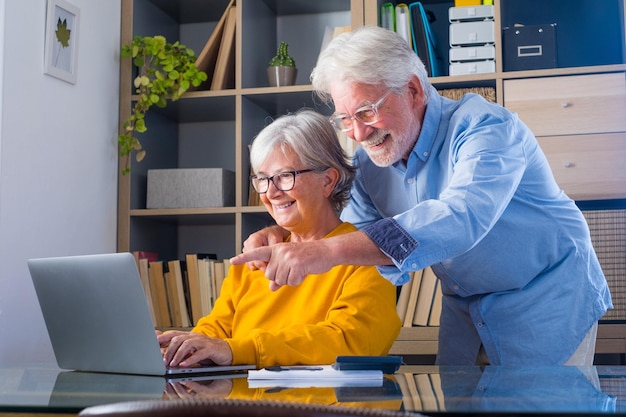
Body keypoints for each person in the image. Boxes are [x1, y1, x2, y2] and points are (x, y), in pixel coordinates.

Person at [231, 26, 613, 366]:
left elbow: (461, 217)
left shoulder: (487, 128)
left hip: (544, 296)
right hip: (466, 307)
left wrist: (323, 251)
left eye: (366, 112)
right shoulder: (368, 166)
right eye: (345, 120)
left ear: (412, 90)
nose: (358, 135)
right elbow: (357, 245)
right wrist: (287, 236)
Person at [158, 109, 401, 369]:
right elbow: (219, 327)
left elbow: (350, 341)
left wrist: (241, 349)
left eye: (285, 176)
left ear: (327, 181)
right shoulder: (256, 255)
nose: (271, 192)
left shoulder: (364, 255)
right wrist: (183, 347)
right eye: (262, 179)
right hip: (246, 403)